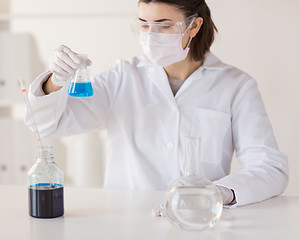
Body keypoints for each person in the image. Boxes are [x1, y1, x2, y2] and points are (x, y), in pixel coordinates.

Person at [25, 0, 288, 207]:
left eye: (163, 25)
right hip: (126, 222)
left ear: (194, 26)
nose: (151, 35)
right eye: (144, 24)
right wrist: (55, 82)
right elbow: (46, 126)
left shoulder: (237, 86)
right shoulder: (122, 77)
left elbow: (270, 168)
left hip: (198, 220)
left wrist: (221, 192)